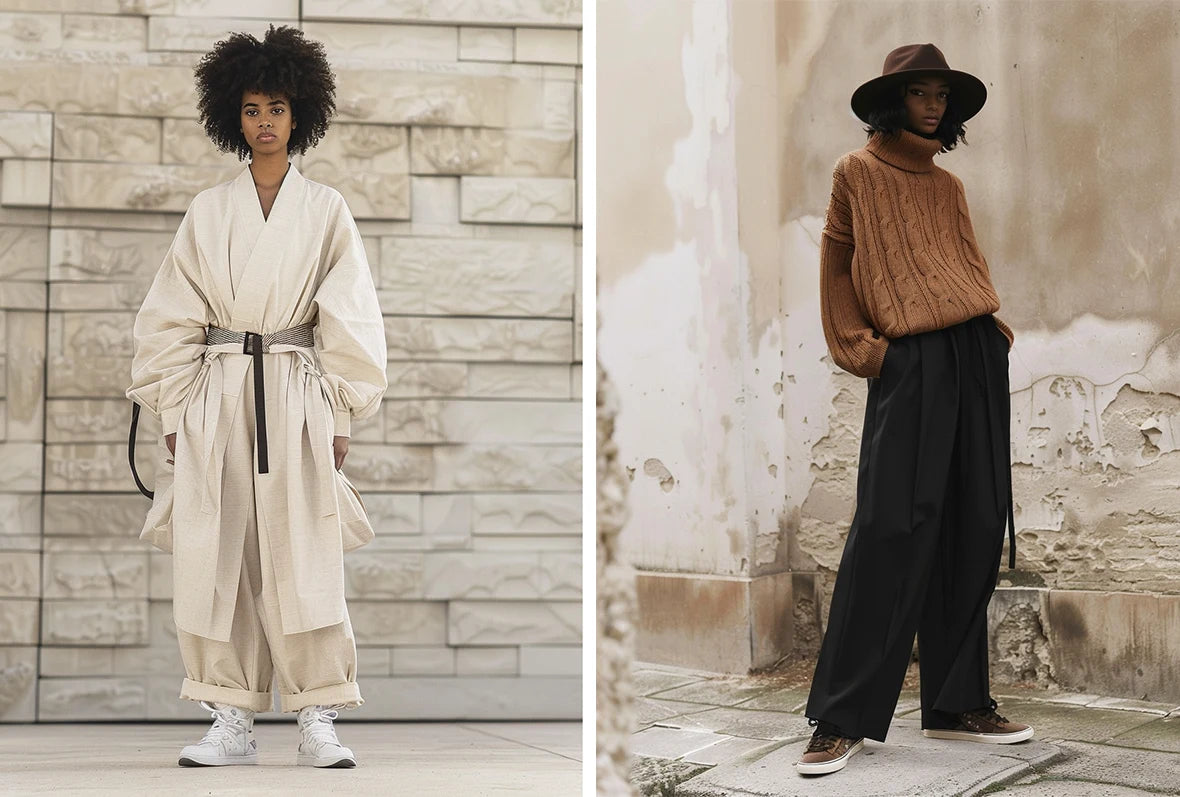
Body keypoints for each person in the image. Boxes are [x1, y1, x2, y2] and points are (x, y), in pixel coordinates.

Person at [126, 24, 387, 769]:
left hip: (299, 390)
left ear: (299, 113)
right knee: (217, 550)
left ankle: (319, 711)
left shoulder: (326, 209)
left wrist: (339, 409)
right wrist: (174, 409)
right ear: (231, 118)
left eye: (276, 107)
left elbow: (350, 312)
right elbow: (173, 312)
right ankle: (228, 710)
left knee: (306, 550)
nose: (265, 122)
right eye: (251, 109)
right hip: (217, 393)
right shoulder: (209, 212)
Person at [795, 43, 1034, 777]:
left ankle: (956, 703)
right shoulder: (857, 172)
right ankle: (839, 715)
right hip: (911, 360)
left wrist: (989, 331)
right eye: (921, 93)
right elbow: (837, 263)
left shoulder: (948, 184)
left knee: (973, 515)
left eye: (941, 95)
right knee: (891, 523)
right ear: (893, 101)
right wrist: (862, 348)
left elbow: (964, 263)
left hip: (971, 351)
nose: (933, 105)